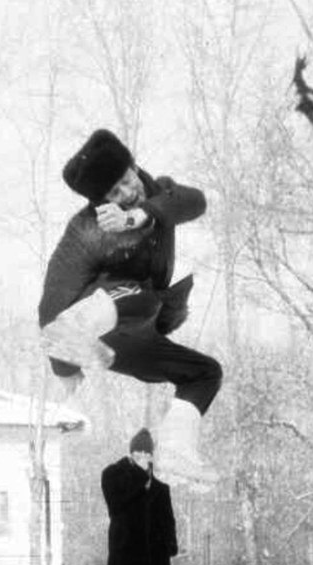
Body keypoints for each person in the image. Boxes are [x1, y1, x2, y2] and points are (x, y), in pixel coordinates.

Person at [38, 128, 223, 485]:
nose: (127, 193)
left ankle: (175, 452)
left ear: (134, 167)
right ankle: (83, 323)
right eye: (114, 193)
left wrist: (143, 214)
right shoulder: (87, 230)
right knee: (144, 295)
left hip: (136, 335)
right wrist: (63, 365)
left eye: (126, 181)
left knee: (205, 373)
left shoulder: (160, 194)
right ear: (99, 201)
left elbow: (195, 201)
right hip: (102, 327)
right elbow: (51, 303)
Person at [100, 428, 178, 565]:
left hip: (152, 563)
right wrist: (140, 476)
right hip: (126, 560)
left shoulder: (160, 490)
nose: (142, 458)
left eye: (146, 454)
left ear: (151, 457)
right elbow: (115, 506)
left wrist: (170, 545)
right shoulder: (114, 476)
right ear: (130, 454)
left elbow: (168, 522)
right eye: (138, 454)